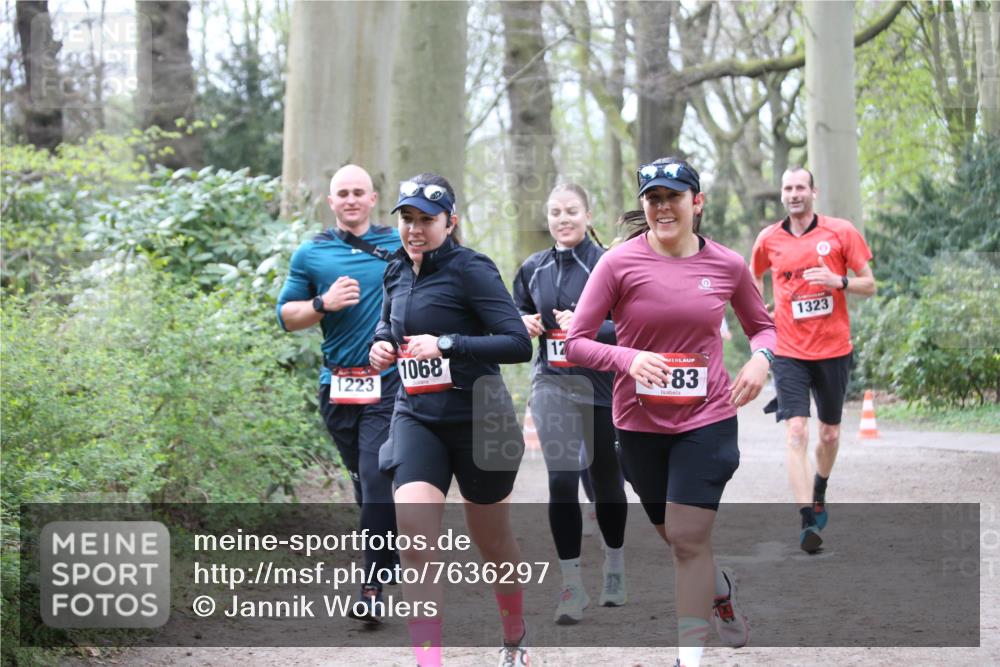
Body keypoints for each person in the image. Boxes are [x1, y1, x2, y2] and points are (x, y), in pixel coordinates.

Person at [565, 157, 776, 667]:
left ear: (696, 203)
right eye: (653, 198)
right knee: (679, 539)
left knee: (686, 538)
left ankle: (689, 658)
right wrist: (629, 359)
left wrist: (761, 360)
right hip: (638, 424)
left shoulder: (727, 264)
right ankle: (720, 589)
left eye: (673, 197)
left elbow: (763, 327)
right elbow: (575, 342)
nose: (663, 207)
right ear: (644, 205)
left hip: (708, 420)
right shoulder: (617, 264)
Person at [368, 173, 533, 667]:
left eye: (426, 220)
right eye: (407, 219)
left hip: (480, 417)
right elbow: (388, 324)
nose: (415, 229)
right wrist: (381, 345)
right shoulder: (396, 269)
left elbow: (517, 343)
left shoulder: (471, 270)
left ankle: (515, 638)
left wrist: (447, 343)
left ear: (450, 222)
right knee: (415, 540)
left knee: (493, 542)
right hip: (417, 415)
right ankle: (429, 661)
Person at [276, 164, 402, 623]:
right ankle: (387, 555)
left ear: (372, 199)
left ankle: (372, 587)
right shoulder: (312, 253)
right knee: (363, 484)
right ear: (331, 202)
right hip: (337, 385)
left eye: (358, 192)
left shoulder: (399, 244)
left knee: (374, 475)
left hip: (387, 382)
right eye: (342, 193)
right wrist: (321, 304)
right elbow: (286, 316)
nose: (350, 200)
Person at [513, 183, 629, 625]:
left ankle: (614, 563)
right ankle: (571, 583)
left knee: (606, 483)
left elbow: (632, 328)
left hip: (601, 384)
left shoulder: (608, 264)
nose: (563, 219)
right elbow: (513, 317)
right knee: (561, 479)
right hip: (552, 382)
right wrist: (522, 322)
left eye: (572, 211)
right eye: (555, 212)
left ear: (588, 214)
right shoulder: (532, 268)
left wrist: (589, 326)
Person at [750, 166, 876, 553]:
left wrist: (839, 281)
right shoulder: (768, 239)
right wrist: (759, 310)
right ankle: (806, 520)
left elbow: (870, 284)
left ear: (813, 192)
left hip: (834, 349)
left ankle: (819, 487)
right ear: (782, 195)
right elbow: (752, 276)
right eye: (788, 188)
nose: (794, 194)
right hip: (789, 351)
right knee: (796, 432)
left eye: (800, 187)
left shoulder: (840, 232)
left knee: (829, 434)